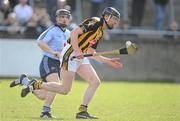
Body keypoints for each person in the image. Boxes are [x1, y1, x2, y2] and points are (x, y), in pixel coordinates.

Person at [11, 7, 123, 119]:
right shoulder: (94, 22)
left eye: (117, 20)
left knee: (95, 82)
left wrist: (108, 61)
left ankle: (82, 111)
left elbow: (91, 51)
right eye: (114, 19)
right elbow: (74, 33)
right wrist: (77, 50)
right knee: (65, 90)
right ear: (107, 16)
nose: (115, 22)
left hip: (80, 55)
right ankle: (35, 85)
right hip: (70, 54)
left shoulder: (100, 33)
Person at [10, 9, 71, 118]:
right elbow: (40, 42)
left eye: (66, 17)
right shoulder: (52, 30)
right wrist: (53, 52)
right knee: (57, 84)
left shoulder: (68, 33)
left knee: (43, 95)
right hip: (48, 61)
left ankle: (26, 82)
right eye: (61, 17)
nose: (64, 19)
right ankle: (45, 112)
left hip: (60, 64)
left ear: (69, 19)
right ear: (57, 18)